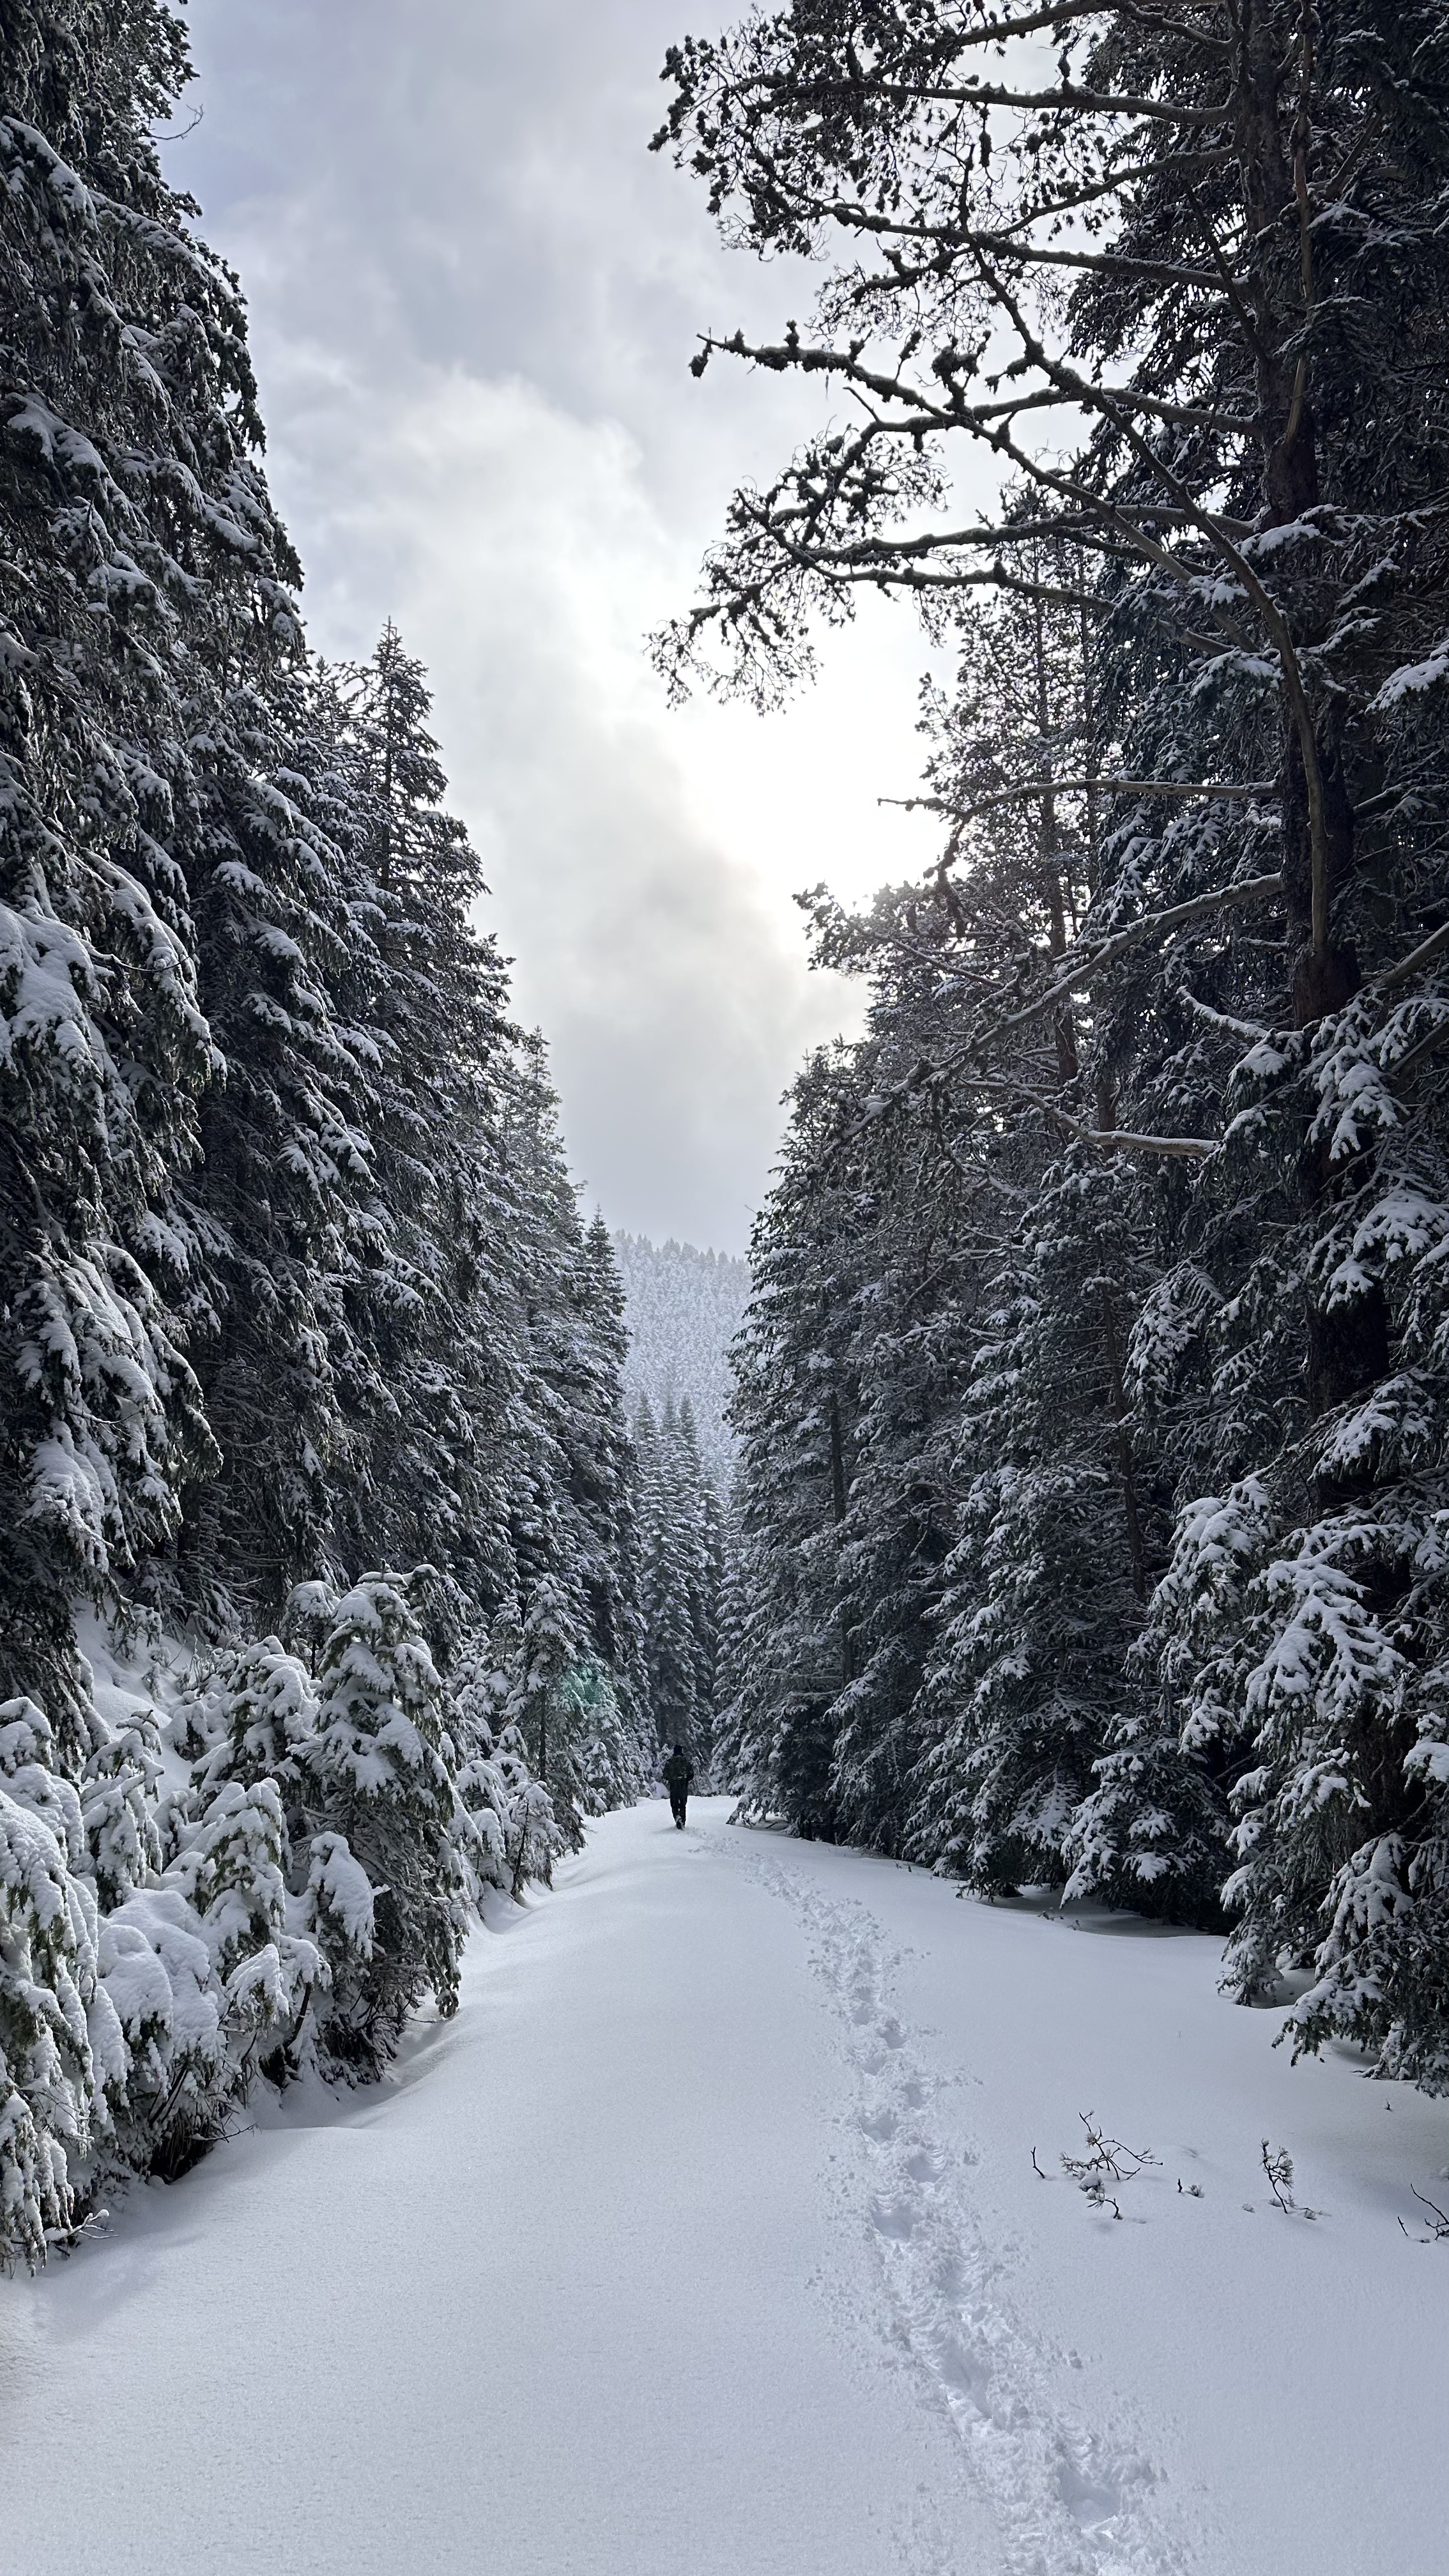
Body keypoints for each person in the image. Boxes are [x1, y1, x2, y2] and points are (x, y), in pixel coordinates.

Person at [661, 1742, 694, 1828]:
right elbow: (691, 1774)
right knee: (683, 1804)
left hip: (673, 1786)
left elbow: (665, 1775)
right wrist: (685, 1780)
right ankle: (682, 1820)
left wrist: (672, 1780)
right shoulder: (686, 1761)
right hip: (683, 1785)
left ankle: (677, 1817)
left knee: (674, 1804)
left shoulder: (669, 1762)